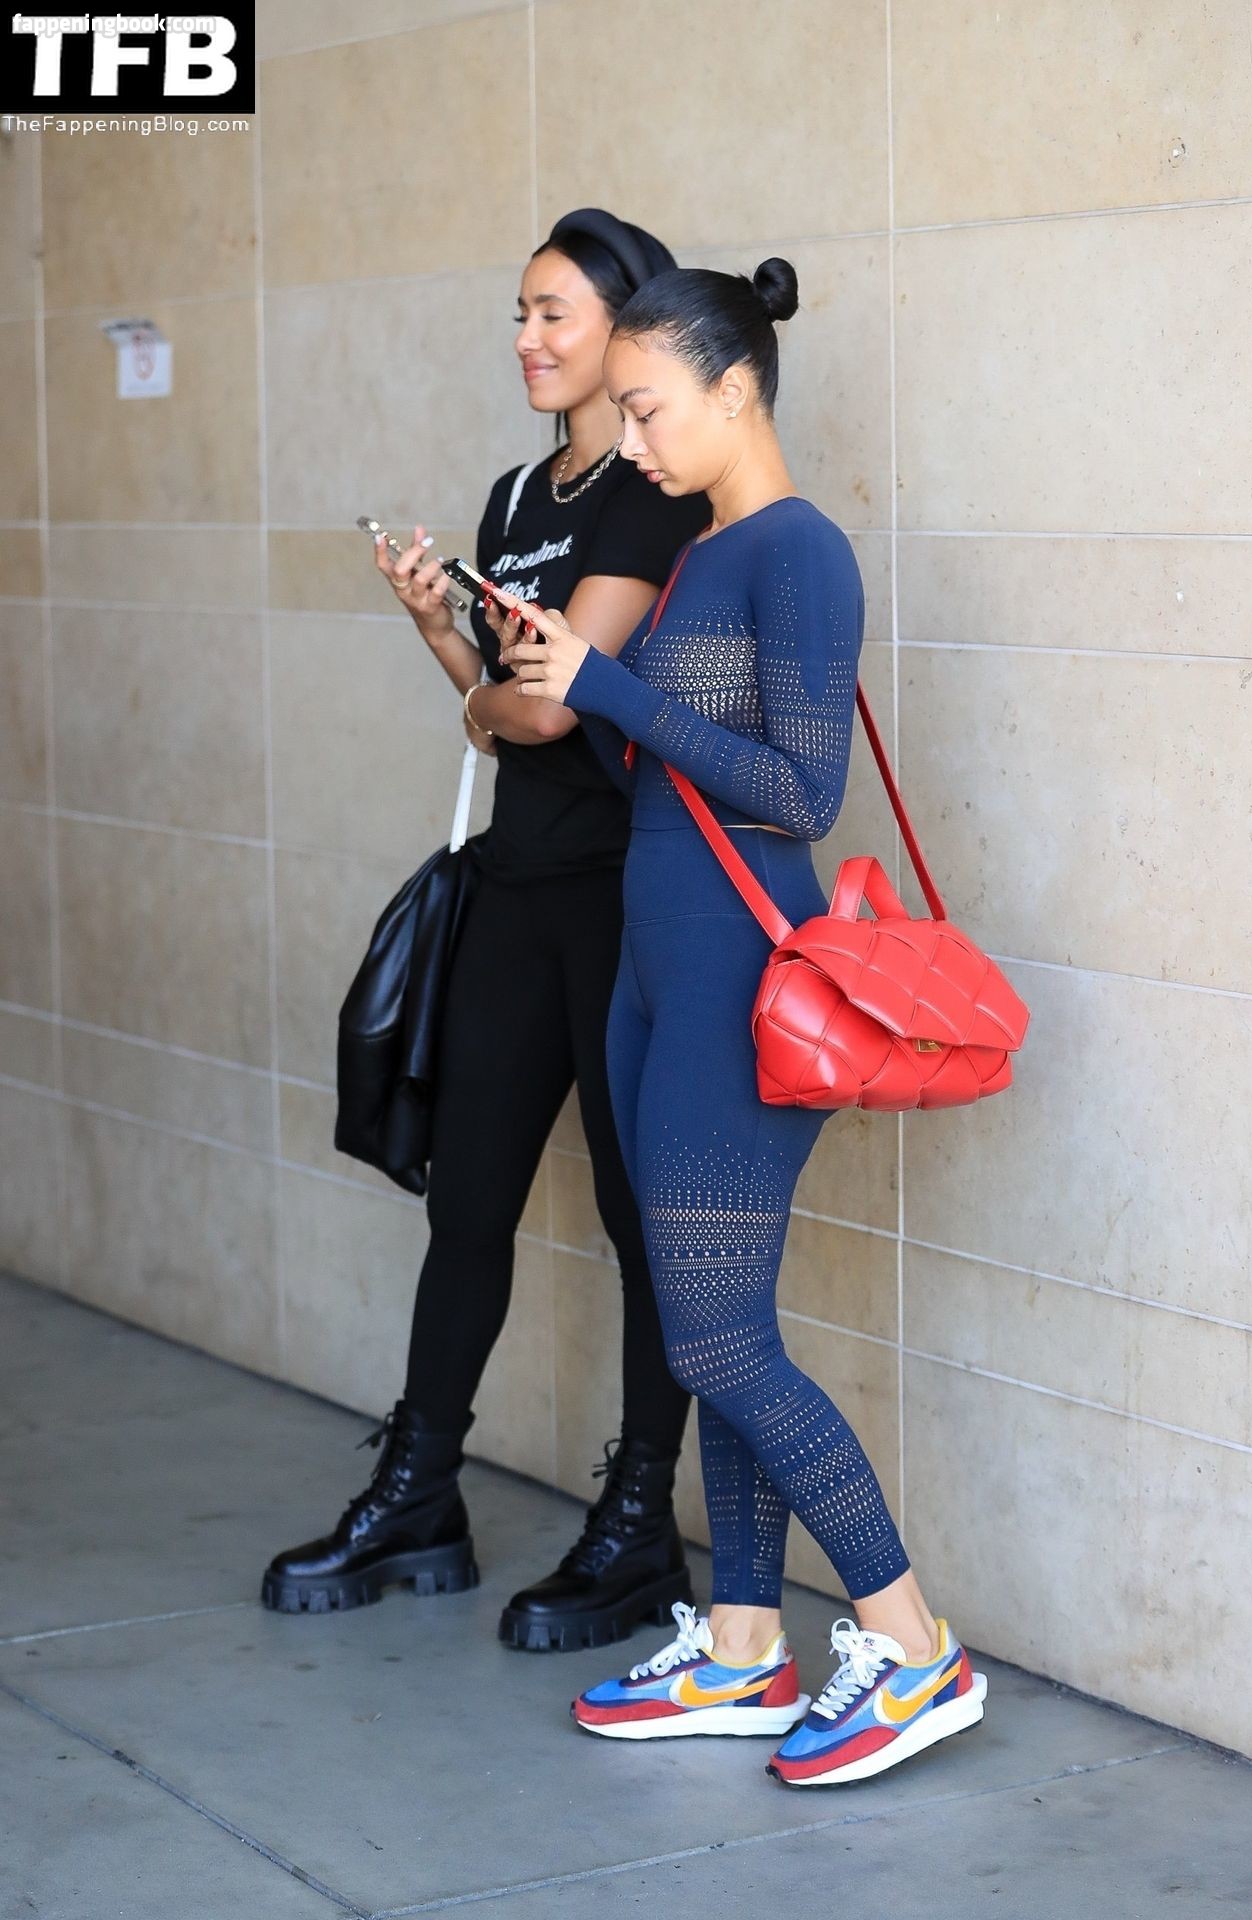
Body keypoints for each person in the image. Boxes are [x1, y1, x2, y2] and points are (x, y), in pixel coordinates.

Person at [494, 258, 987, 1782]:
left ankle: (912, 1645)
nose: (633, 438)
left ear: (735, 389)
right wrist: (540, 670)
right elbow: (652, 765)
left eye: (649, 409)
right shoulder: (700, 554)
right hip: (656, 976)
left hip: (736, 982)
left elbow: (800, 791)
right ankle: (747, 1648)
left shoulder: (800, 553)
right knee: (713, 1330)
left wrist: (614, 686)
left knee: (715, 1337)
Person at [262, 211, 709, 1653]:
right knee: (467, 1205)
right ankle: (419, 1497)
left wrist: (490, 695)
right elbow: (506, 696)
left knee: (642, 1225)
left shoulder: (652, 493)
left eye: (553, 313)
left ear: (625, 328)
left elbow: (557, 707)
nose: (526, 339)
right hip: (518, 889)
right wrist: (440, 632)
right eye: (519, 312)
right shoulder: (517, 496)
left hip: (627, 901)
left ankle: (639, 1526)